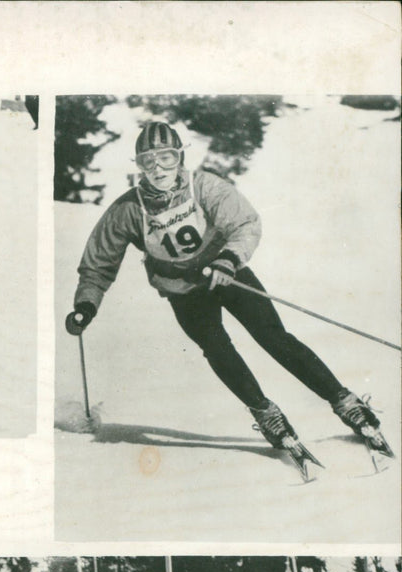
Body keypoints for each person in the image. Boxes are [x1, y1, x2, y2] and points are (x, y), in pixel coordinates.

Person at [66, 120, 391, 460]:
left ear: (180, 158)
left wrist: (228, 260)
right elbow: (98, 264)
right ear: (138, 166)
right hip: (183, 291)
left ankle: (344, 401)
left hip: (226, 275)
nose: (158, 168)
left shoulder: (203, 186)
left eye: (166, 157)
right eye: (148, 160)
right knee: (217, 348)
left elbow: (244, 223)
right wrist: (86, 305)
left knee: (273, 336)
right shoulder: (128, 210)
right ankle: (266, 414)